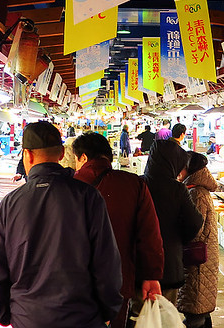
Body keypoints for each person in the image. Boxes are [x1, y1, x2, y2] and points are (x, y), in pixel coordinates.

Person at [0, 121, 122, 328]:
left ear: (27, 155)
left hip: (28, 319)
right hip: (83, 318)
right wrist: (108, 310)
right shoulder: (89, 197)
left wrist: (7, 315)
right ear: (62, 153)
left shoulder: (10, 203)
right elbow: (106, 263)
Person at [72, 132, 163, 328]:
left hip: (71, 283)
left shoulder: (66, 187)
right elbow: (149, 236)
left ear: (83, 158)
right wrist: (151, 275)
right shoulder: (134, 184)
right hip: (118, 282)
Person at [140, 139, 204, 310]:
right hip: (168, 264)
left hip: (140, 266)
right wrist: (179, 238)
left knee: (140, 316)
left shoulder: (138, 184)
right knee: (165, 315)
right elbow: (195, 222)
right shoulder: (177, 189)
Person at [177, 153, 219, 328]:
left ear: (189, 169)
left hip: (198, 262)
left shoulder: (196, 193)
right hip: (202, 258)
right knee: (201, 309)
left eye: (181, 167)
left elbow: (195, 228)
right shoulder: (197, 190)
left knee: (195, 311)